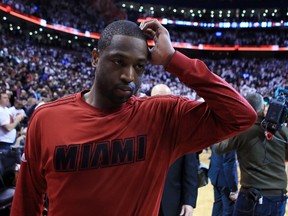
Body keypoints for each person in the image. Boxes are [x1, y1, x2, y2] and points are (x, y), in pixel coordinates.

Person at [11, 19, 257, 216]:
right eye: (119, 61)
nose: (129, 75)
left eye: (139, 66)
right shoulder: (47, 118)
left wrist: (174, 59)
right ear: (95, 58)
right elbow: (26, 202)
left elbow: (241, 115)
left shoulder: (161, 117)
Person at [214, 92, 288, 216]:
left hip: (251, 196)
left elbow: (219, 147)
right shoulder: (282, 129)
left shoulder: (244, 129)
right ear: (264, 107)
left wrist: (233, 123)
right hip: (277, 196)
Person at [151, 84, 199, 216]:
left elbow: (190, 169)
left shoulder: (183, 129)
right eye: (156, 99)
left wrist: (189, 201)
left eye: (165, 98)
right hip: (145, 202)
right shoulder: (139, 126)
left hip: (172, 203)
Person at [208, 144, 238, 216]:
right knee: (229, 211)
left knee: (218, 208)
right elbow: (229, 164)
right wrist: (233, 189)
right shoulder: (230, 138)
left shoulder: (218, 133)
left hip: (215, 175)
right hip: (226, 180)